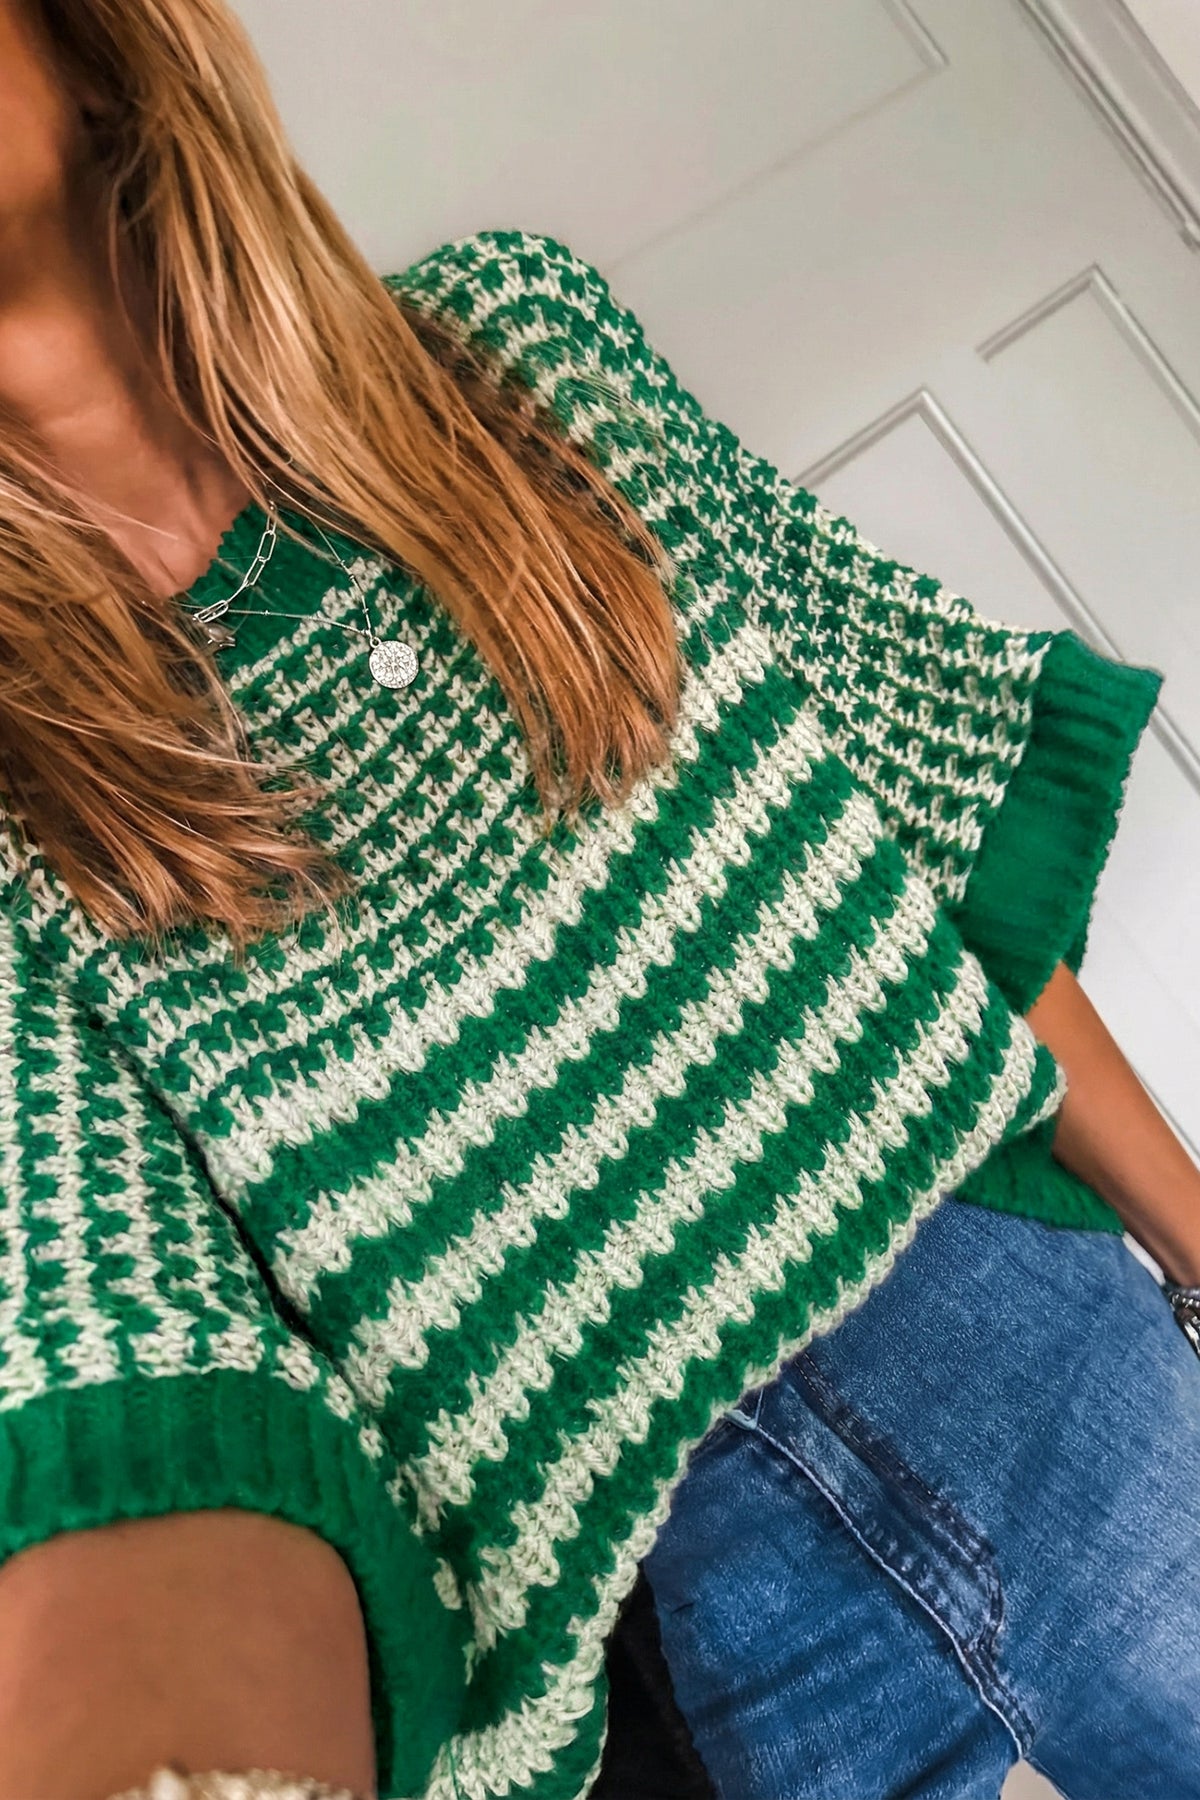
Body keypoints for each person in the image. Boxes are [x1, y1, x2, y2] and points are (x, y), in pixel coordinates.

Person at [0, 4, 1196, 1799]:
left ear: (92, 37)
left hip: (1032, 1338)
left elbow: (933, 868)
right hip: (674, 1646)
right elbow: (118, 1341)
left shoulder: (524, 354)